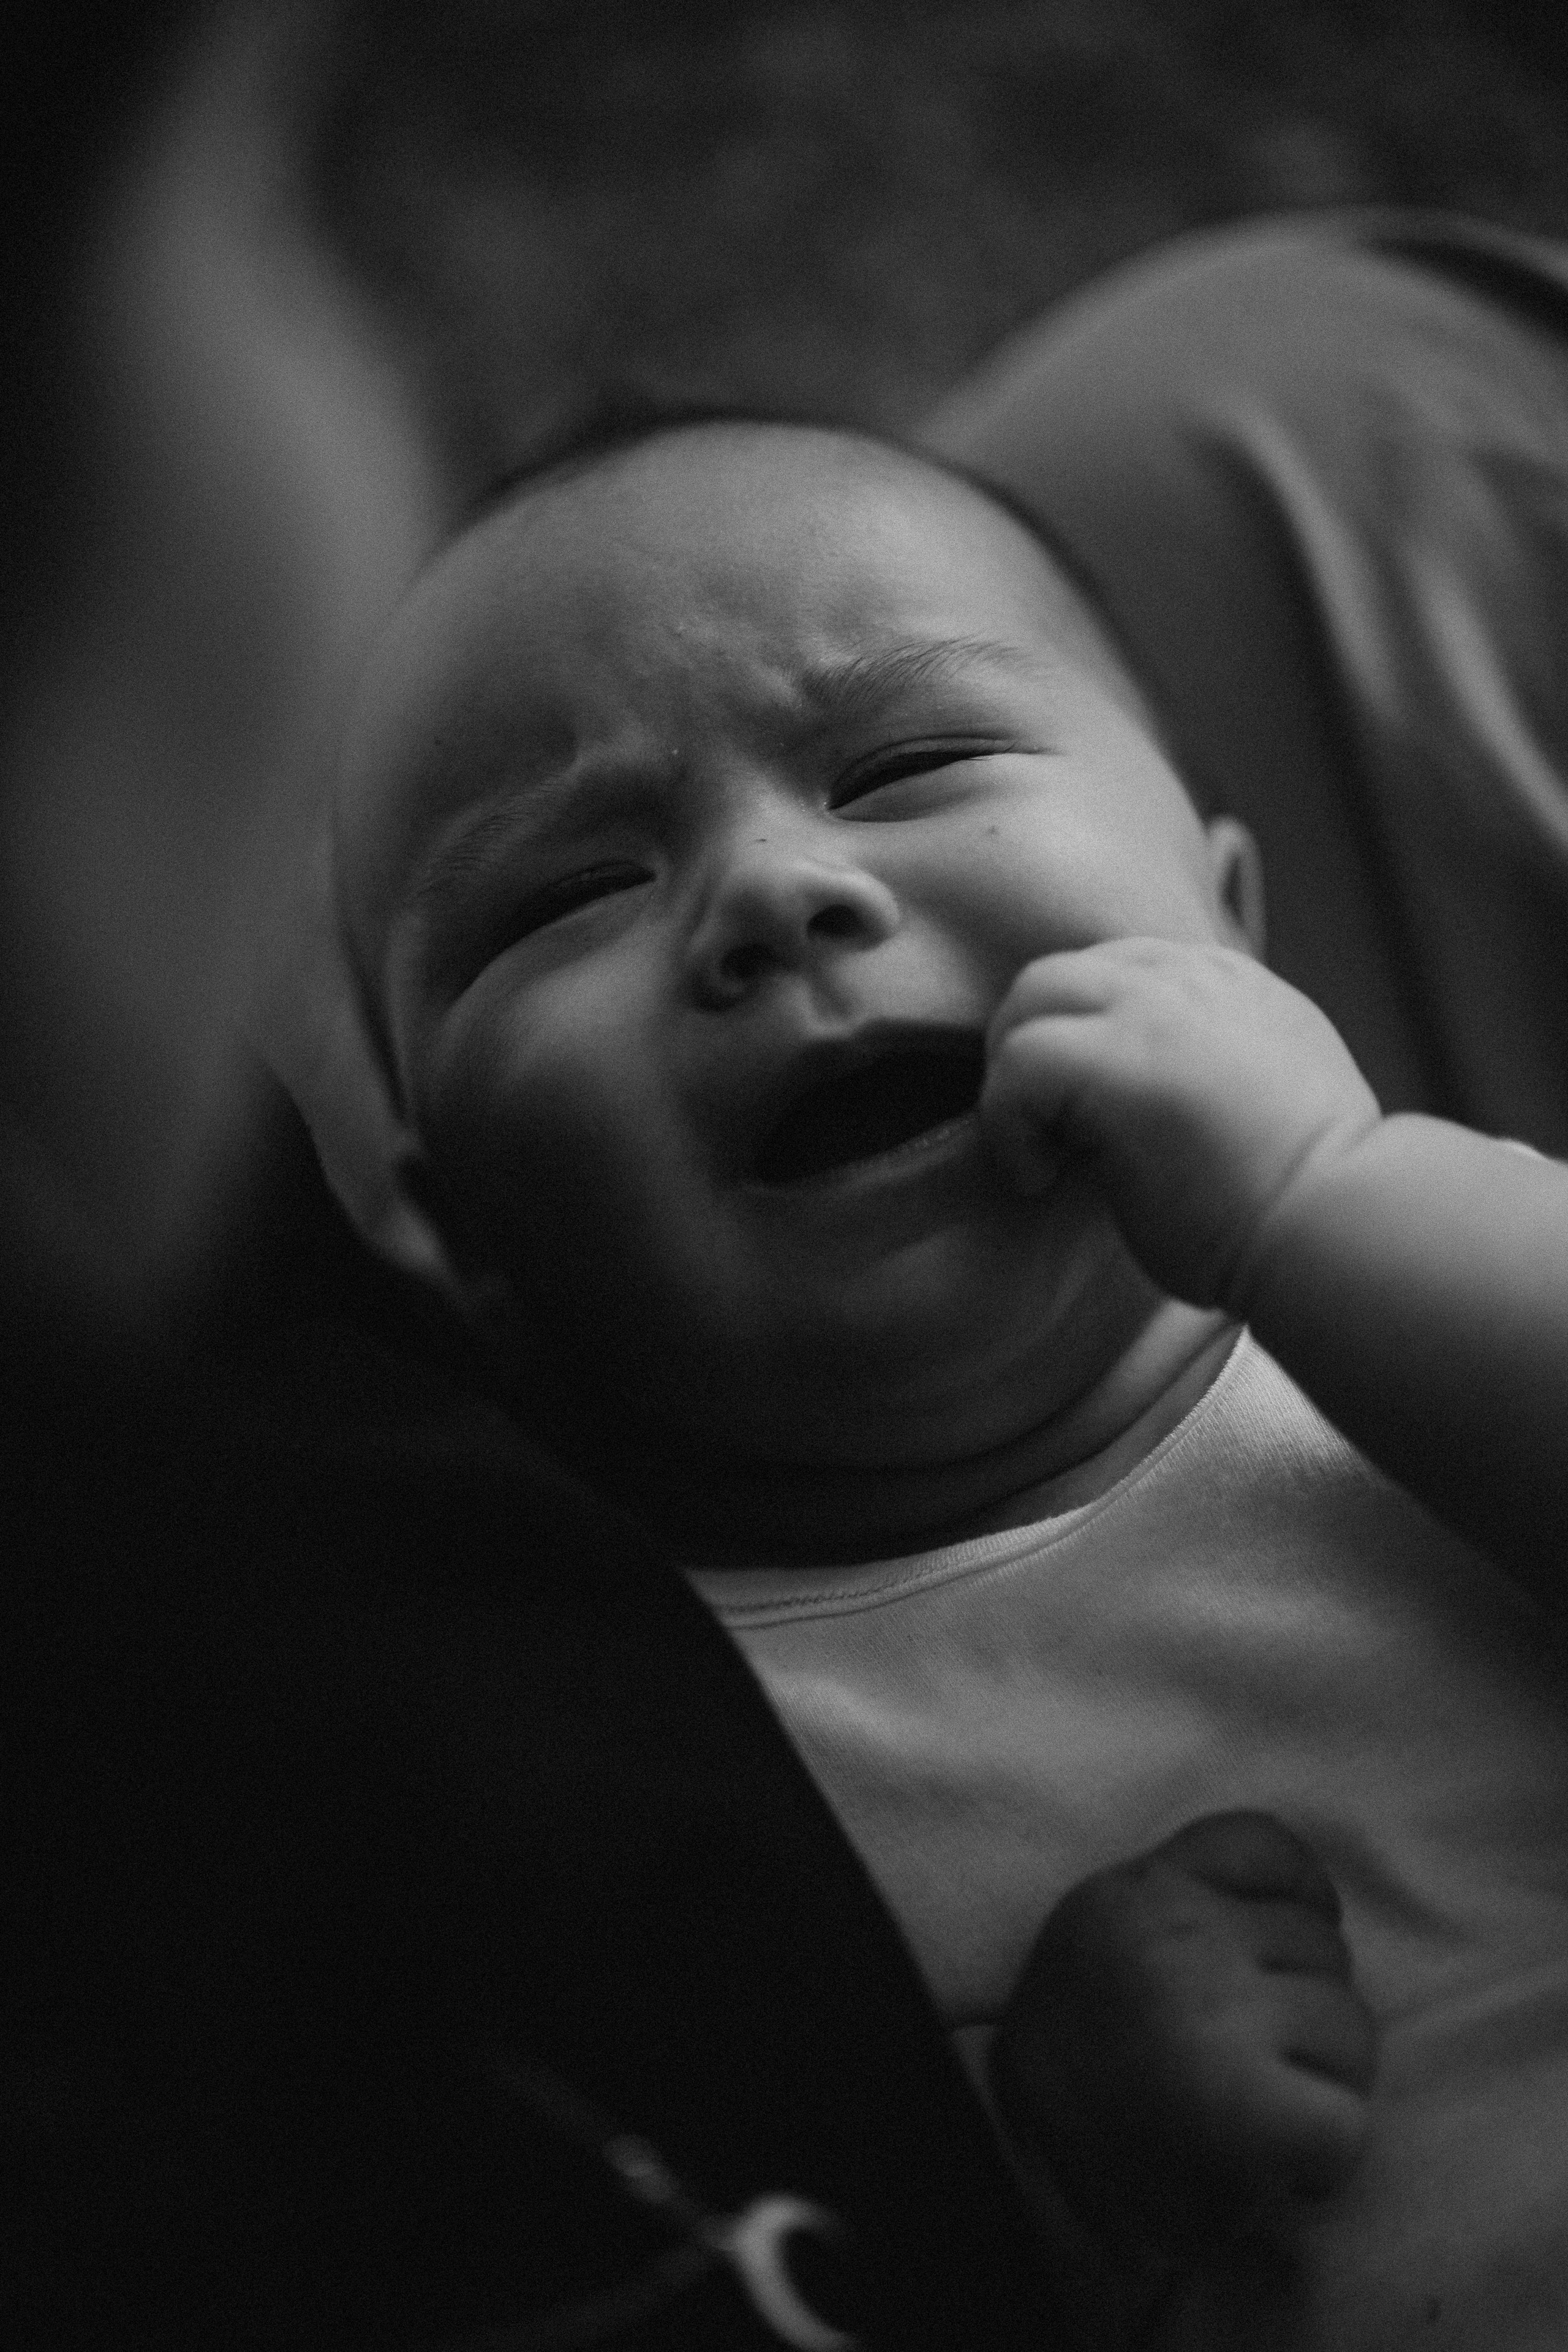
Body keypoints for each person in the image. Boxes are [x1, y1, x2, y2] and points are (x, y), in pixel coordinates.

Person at [303, 406, 1568, 2349]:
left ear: (1232, 918)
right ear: (454, 1230)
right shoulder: (640, 1740)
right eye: (562, 897)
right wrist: (1051, 2143)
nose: (771, 897)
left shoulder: (1419, 1304)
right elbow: (744, 2245)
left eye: (911, 761)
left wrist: (1326, 1197)